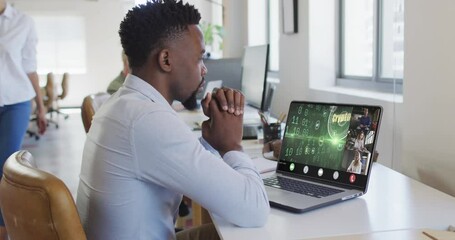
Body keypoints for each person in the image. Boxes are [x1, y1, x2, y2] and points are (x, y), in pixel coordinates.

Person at [76, 1, 269, 239]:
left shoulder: (124, 104)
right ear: (166, 60)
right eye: (199, 59)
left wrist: (209, 141)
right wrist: (232, 145)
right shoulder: (146, 119)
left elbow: (177, 162)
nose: (204, 70)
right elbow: (255, 210)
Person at [0, 1, 47, 239]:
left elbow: (30, 67)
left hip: (16, 102)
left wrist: (41, 107)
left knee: (5, 164)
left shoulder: (23, 22)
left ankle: (4, 228)